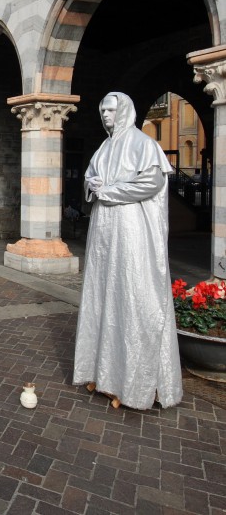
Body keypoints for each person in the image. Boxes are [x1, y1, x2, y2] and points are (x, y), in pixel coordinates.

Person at [73, 92, 182, 410]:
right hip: (104, 235)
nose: (106, 115)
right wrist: (94, 185)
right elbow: (90, 177)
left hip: (131, 233)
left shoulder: (143, 144)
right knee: (103, 296)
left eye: (111, 110)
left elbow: (150, 183)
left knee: (132, 296)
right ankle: (103, 371)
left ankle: (133, 380)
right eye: (102, 110)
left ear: (124, 111)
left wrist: (109, 191)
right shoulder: (104, 147)